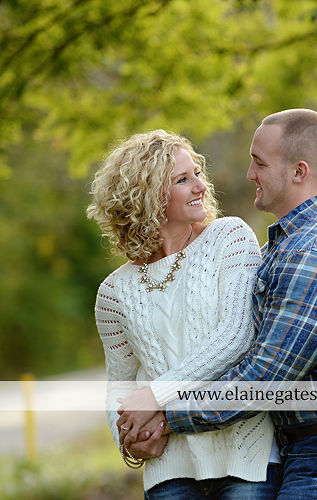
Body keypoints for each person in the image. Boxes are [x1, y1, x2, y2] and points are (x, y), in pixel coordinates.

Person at [122, 109, 317, 500]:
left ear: (298, 172)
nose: (249, 174)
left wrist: (166, 415)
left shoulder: (315, 252)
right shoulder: (287, 246)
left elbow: (263, 379)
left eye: (259, 163)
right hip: (309, 448)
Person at [87, 130, 281, 500]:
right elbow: (120, 388)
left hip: (245, 461)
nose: (201, 186)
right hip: (169, 475)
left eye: (197, 173)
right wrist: (130, 445)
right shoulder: (113, 292)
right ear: (146, 195)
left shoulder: (230, 238)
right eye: (182, 179)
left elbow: (238, 337)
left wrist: (156, 396)